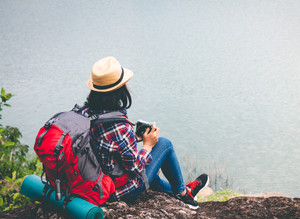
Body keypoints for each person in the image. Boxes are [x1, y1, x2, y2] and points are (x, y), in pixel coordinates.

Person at [82, 56, 209, 209]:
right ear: (119, 90)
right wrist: (148, 145)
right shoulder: (120, 128)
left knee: (152, 170)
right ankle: (184, 195)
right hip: (119, 192)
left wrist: (133, 139)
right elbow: (135, 168)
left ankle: (181, 190)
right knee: (164, 144)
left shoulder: (84, 114)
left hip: (96, 181)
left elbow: (106, 145)